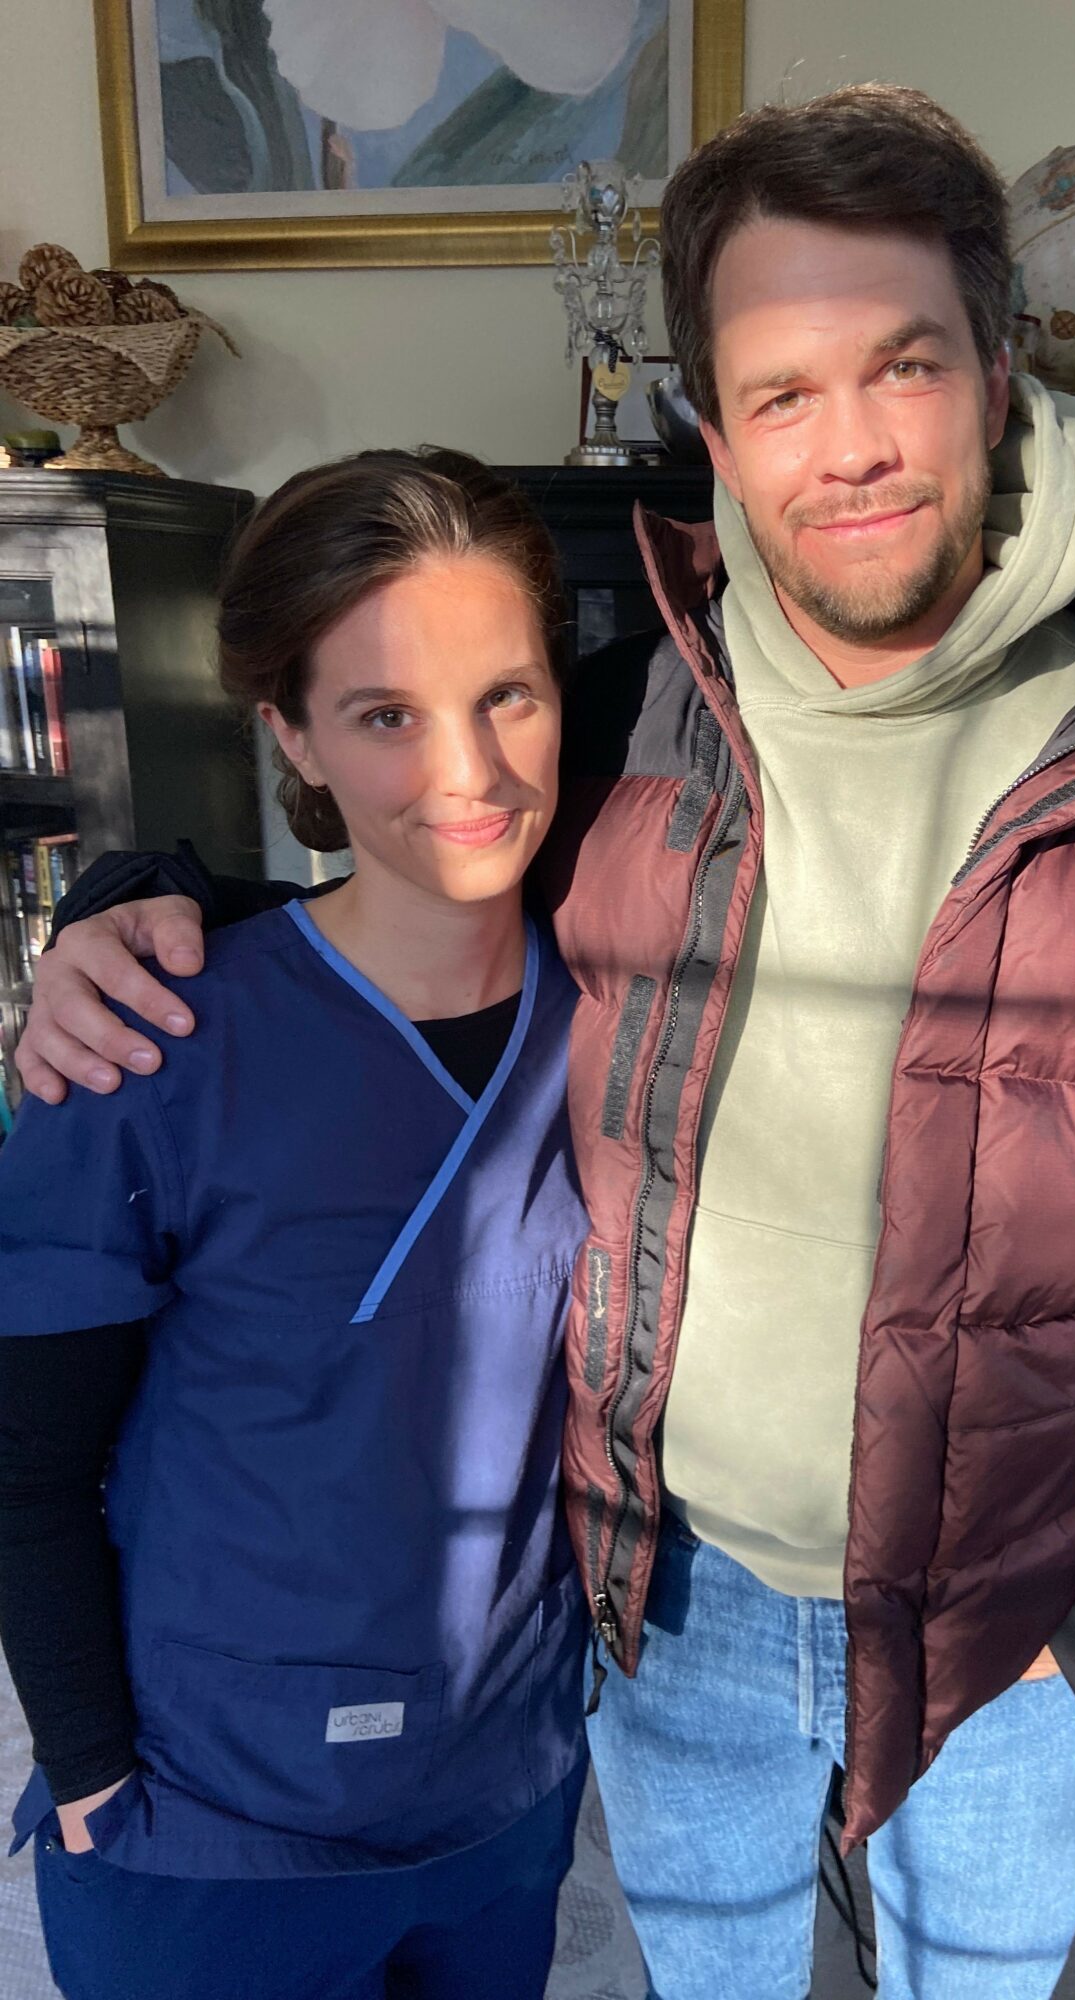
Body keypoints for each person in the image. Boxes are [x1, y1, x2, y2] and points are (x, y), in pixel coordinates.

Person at [18, 86, 1075, 2000]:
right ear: (713, 430)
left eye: (903, 365)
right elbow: (416, 879)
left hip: (1018, 1624)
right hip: (666, 1601)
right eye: (781, 390)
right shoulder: (633, 719)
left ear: (1000, 370)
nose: (848, 446)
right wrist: (138, 899)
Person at [0, 450, 591, 2000]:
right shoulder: (146, 1043)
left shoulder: (615, 1020)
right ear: (292, 736)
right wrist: (91, 1774)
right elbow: (27, 1462)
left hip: (502, 1790)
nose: (469, 771)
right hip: (212, 1827)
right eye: (385, 714)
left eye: (508, 695)